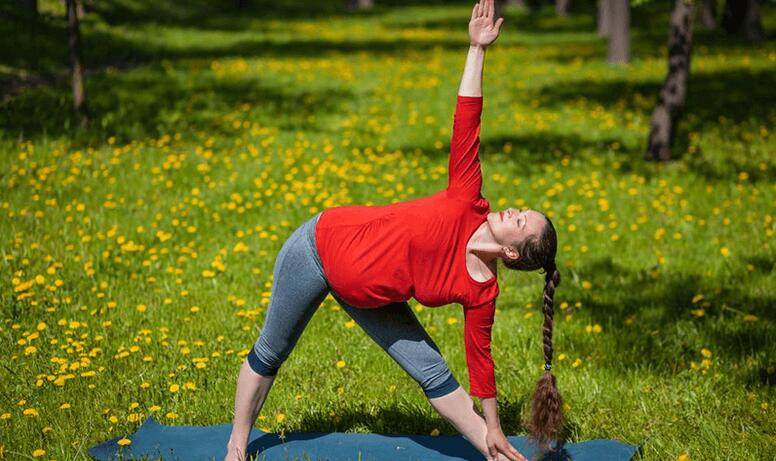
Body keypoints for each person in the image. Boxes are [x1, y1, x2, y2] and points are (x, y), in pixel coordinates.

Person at [224, 1, 562, 460]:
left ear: (514, 255)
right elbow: (468, 119)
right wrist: (476, 49)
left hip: (374, 297)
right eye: (521, 209)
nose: (512, 210)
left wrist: (496, 426)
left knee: (435, 374)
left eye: (520, 221)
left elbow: (481, 362)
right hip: (320, 248)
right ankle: (237, 445)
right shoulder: (468, 198)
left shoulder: (481, 292)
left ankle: (495, 452)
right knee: (270, 351)